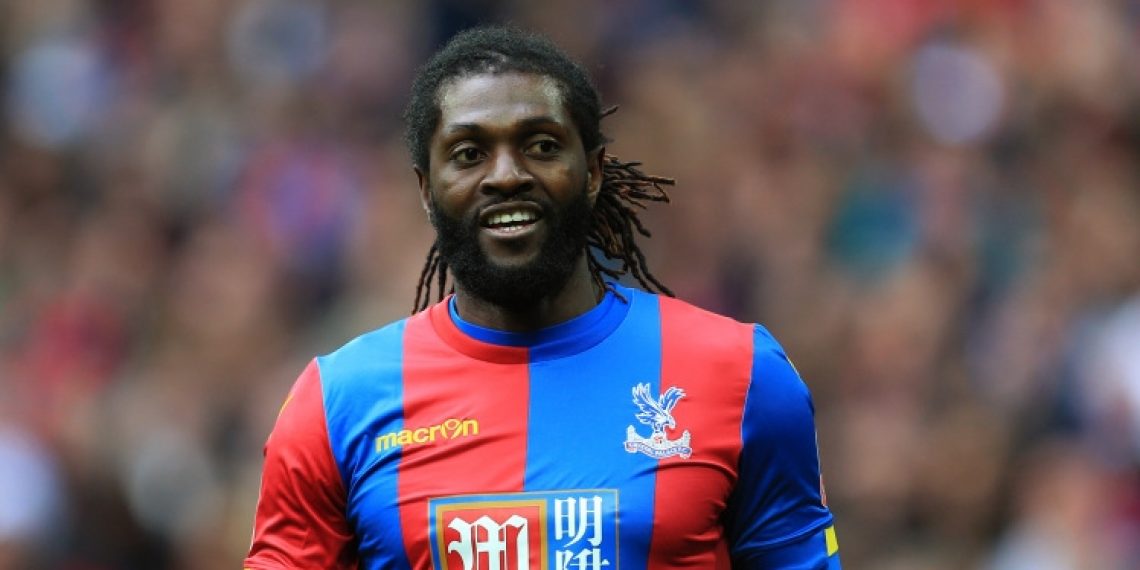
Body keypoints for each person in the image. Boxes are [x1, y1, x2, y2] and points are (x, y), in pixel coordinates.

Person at [244, 25, 840, 570]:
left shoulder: (742, 374)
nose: (506, 175)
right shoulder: (338, 404)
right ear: (426, 190)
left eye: (542, 145)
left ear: (593, 171)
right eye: (468, 153)